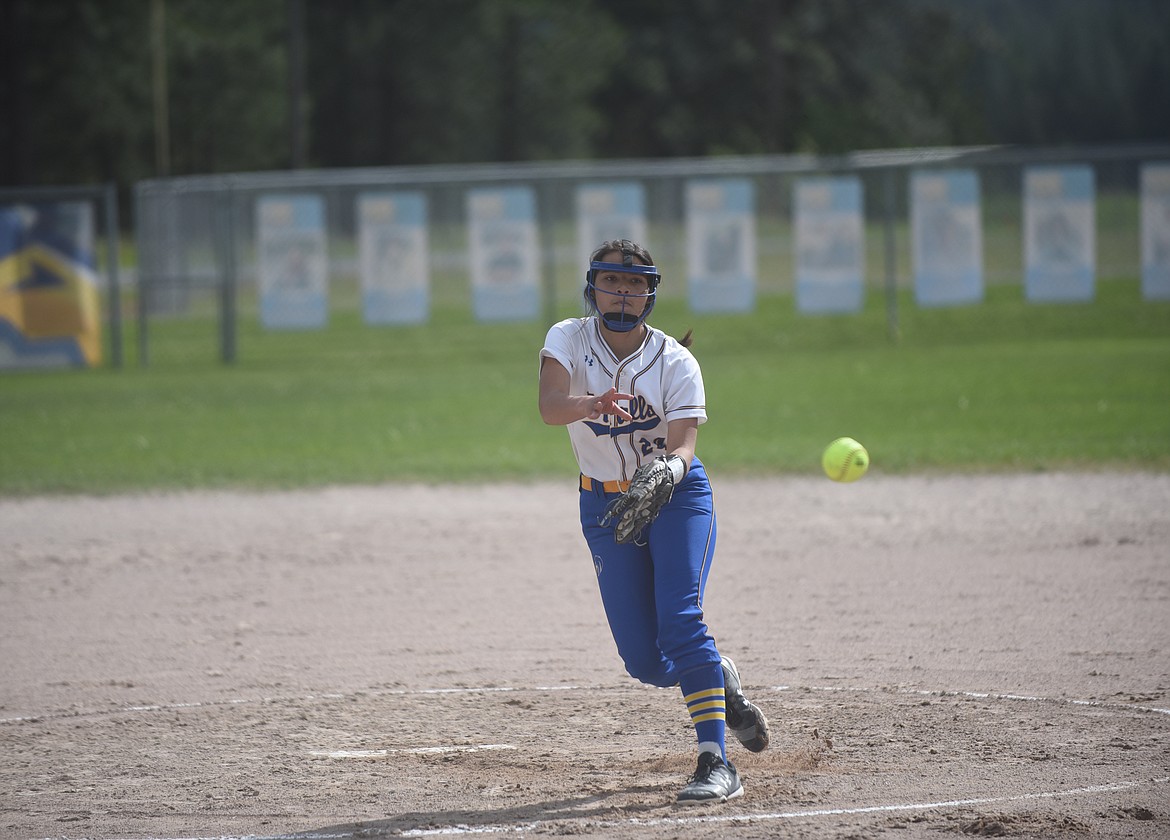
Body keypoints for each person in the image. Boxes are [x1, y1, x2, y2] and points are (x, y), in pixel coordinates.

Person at [537, 239, 771, 805]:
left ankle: (716, 761)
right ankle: (718, 678)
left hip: (675, 498)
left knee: (680, 618)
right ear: (592, 287)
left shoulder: (675, 362)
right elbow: (549, 407)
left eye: (635, 283)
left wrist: (667, 469)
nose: (623, 293)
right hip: (603, 507)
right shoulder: (567, 338)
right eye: (612, 282)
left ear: (651, 292)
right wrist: (591, 404)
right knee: (644, 660)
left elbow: (684, 444)